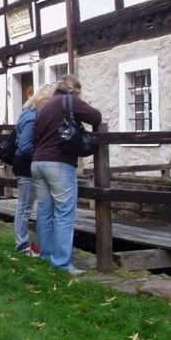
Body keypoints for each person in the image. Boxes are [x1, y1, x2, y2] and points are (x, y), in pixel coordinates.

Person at [31, 74, 102, 275]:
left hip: (38, 162)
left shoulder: (45, 106)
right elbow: (96, 117)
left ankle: (46, 255)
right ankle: (61, 264)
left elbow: (36, 136)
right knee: (64, 213)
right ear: (74, 91)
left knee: (45, 211)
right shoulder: (69, 101)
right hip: (59, 163)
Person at [12, 83, 55, 257]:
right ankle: (21, 244)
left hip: (26, 164)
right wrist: (43, 154)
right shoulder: (31, 117)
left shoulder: (27, 113)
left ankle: (25, 243)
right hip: (26, 165)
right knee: (24, 207)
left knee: (25, 206)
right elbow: (24, 146)